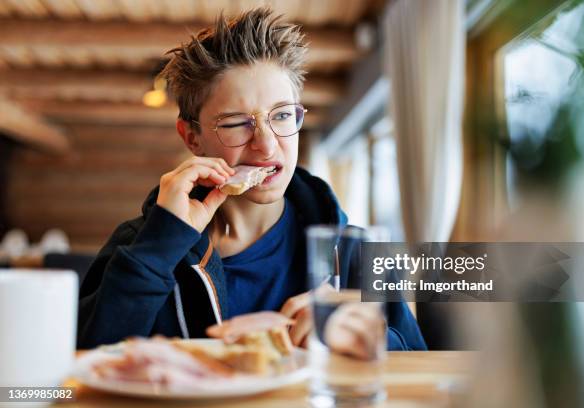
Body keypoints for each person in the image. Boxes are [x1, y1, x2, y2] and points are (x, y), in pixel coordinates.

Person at [78, 8, 426, 353]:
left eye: (283, 115)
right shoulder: (139, 245)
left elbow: (422, 368)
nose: (267, 144)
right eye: (234, 123)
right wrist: (160, 246)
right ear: (192, 138)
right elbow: (77, 366)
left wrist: (368, 340)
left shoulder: (356, 253)